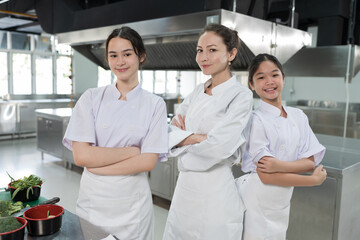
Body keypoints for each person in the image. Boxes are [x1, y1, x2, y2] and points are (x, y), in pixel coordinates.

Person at [62, 26, 168, 240]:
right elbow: (82, 156)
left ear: (141, 56)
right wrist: (131, 151)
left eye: (127, 54)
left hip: (133, 207)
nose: (120, 62)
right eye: (113, 55)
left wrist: (97, 167)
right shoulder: (91, 99)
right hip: (94, 202)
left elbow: (147, 162)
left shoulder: (154, 104)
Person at [163, 23, 253, 240]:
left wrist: (182, 138)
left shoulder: (241, 96)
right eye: (200, 50)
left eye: (212, 50)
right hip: (184, 188)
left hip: (215, 190)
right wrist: (198, 138)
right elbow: (167, 132)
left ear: (231, 54)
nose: (203, 57)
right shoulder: (197, 91)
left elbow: (218, 147)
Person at [237, 53, 327, 240]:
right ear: (252, 85)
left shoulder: (298, 116)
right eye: (261, 77)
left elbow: (310, 162)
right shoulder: (255, 120)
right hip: (257, 199)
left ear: (283, 79)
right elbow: (265, 175)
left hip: (282, 198)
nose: (269, 81)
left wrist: (279, 166)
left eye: (275, 74)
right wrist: (312, 180)